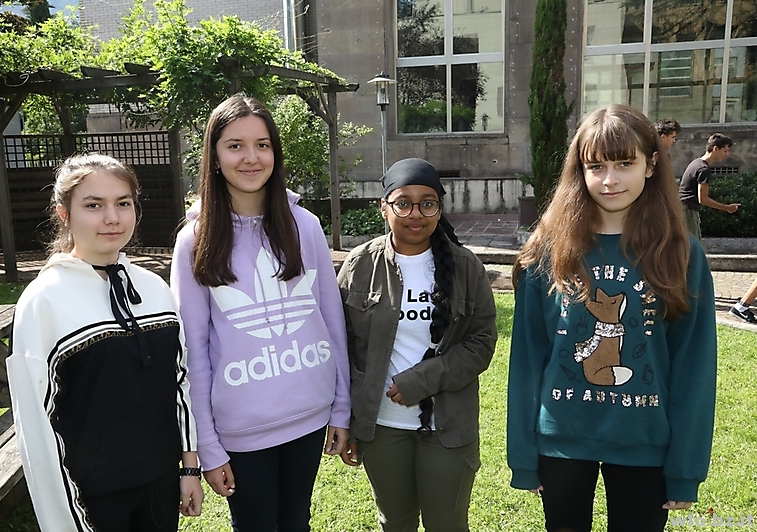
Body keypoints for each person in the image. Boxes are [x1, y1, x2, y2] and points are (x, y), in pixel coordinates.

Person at [507, 104, 717, 532]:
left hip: (645, 443)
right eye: (596, 166)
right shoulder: (547, 250)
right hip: (562, 443)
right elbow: (527, 358)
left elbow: (694, 367)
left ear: (651, 164)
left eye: (624, 164)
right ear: (579, 170)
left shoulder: (681, 253)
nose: (609, 180)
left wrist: (685, 468)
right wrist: (523, 456)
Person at [170, 94, 350, 532]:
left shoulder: (304, 225)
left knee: (296, 522)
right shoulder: (194, 240)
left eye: (262, 145)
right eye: (235, 145)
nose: (251, 157)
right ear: (214, 157)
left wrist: (342, 406)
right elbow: (192, 351)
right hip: (241, 431)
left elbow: (332, 322)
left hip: (309, 416)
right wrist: (207, 444)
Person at [7, 153, 204, 531]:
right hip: (91, 500)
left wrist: (188, 466)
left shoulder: (154, 289)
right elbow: (37, 427)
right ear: (64, 213)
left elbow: (179, 384)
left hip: (160, 487)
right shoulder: (43, 301)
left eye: (123, 203)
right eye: (94, 205)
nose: (112, 217)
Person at [337, 157, 498, 532]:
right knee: (396, 523)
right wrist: (348, 420)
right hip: (382, 426)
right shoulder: (360, 265)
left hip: (447, 425)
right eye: (403, 203)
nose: (415, 214)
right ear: (384, 207)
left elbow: (481, 342)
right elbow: (341, 347)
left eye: (427, 203)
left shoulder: (465, 267)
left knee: (447, 524)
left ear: (439, 209)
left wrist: (421, 381)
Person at [678, 132, 739, 241]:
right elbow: (703, 199)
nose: (726, 154)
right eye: (725, 151)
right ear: (715, 149)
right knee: (693, 246)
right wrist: (727, 208)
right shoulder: (703, 169)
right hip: (687, 211)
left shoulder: (696, 162)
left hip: (682, 209)